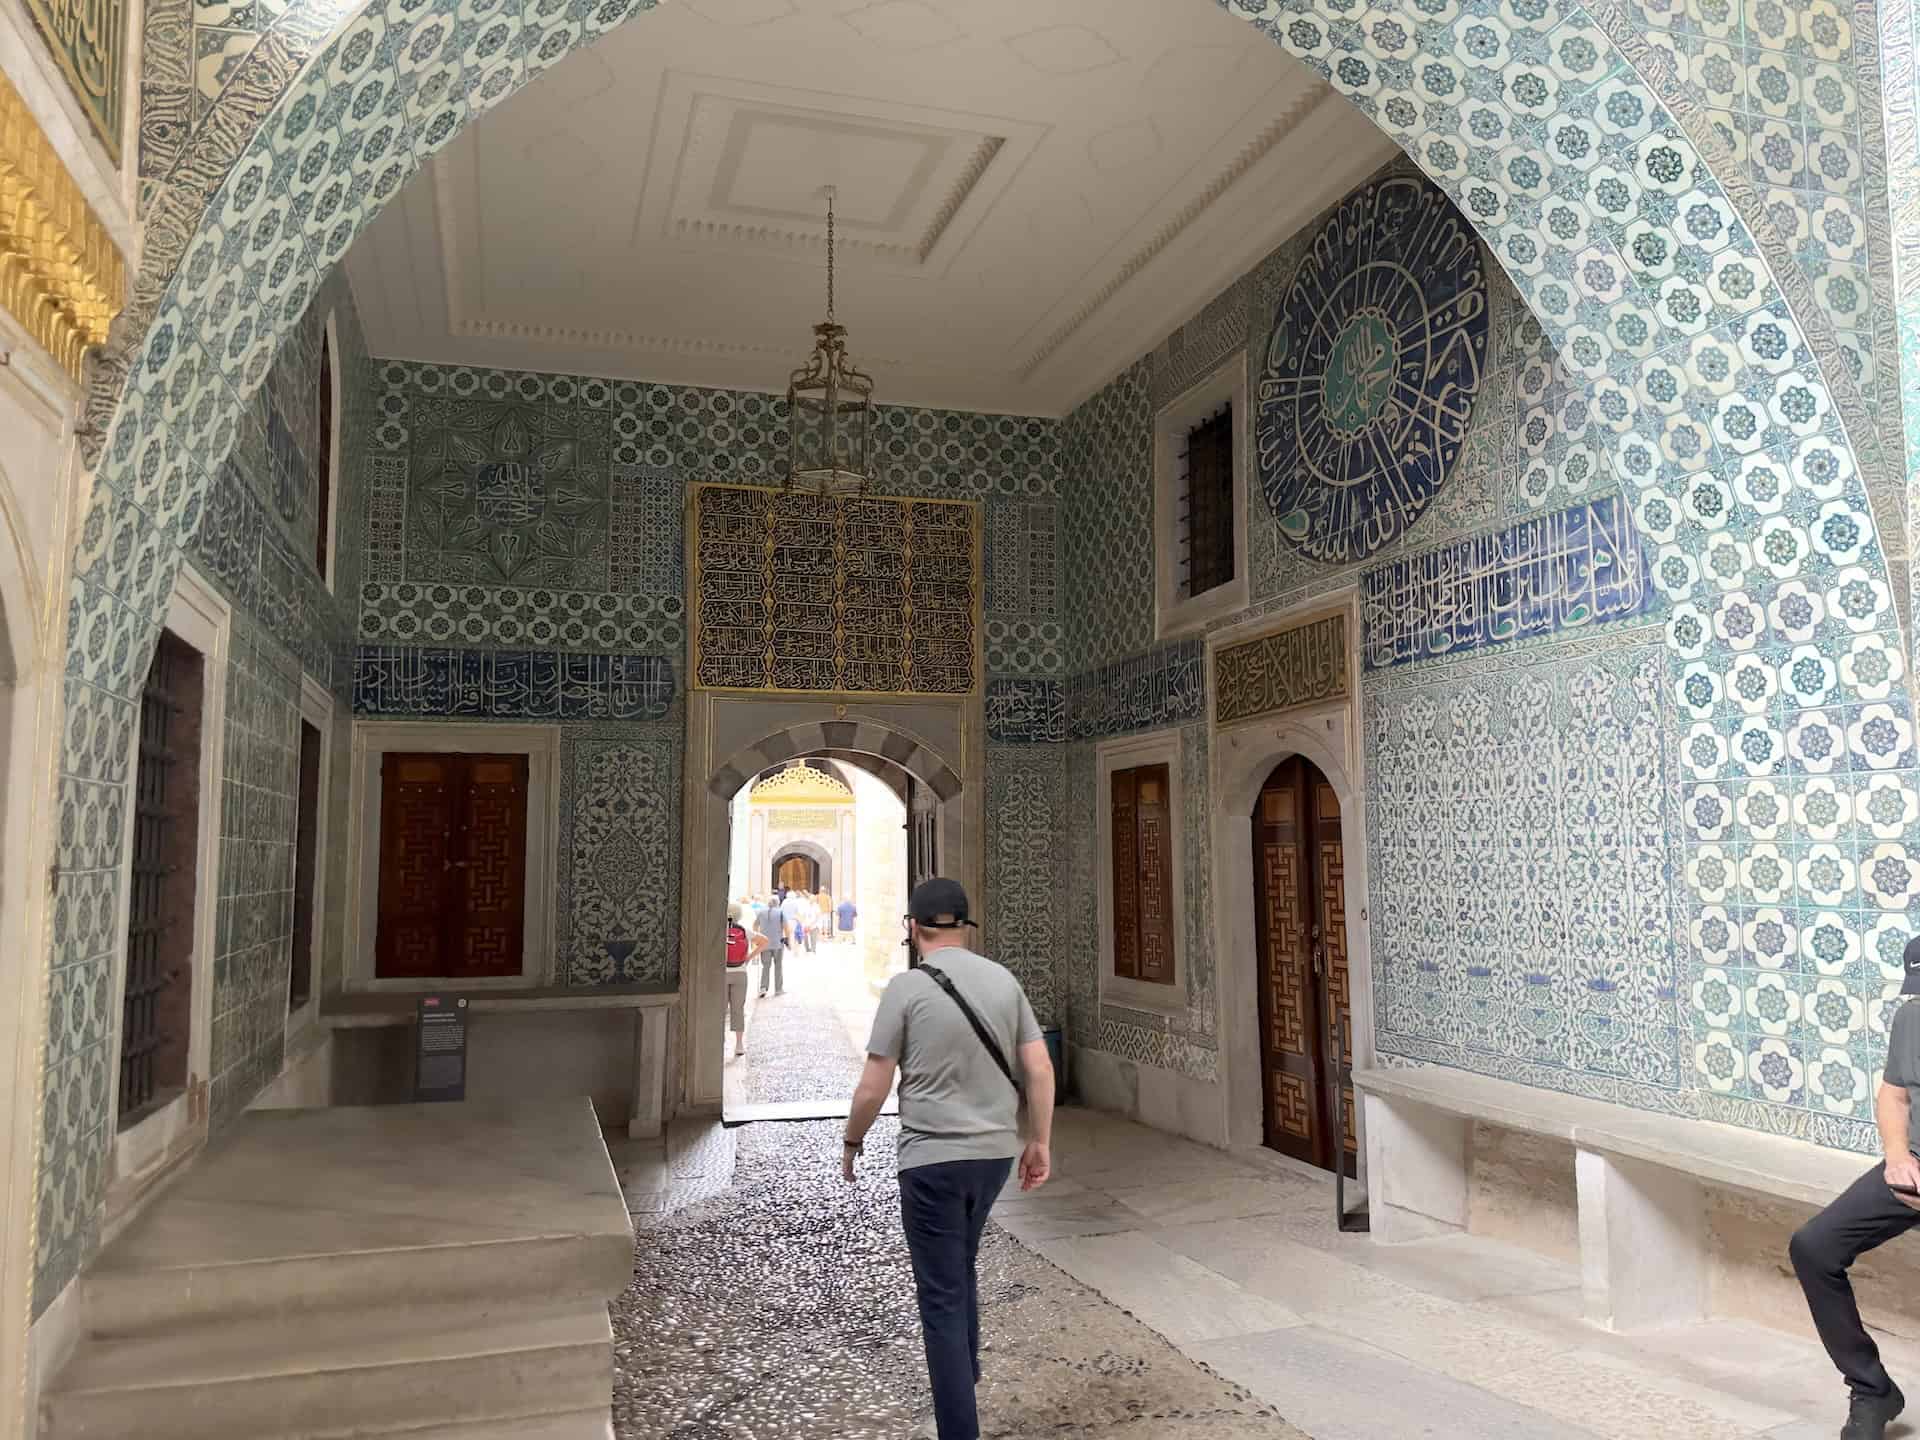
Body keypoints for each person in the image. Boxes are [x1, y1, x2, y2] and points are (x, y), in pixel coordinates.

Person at [841, 878, 1054, 1440]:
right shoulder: (1004, 982)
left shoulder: (905, 988)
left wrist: (852, 1141)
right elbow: (1039, 1068)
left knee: (939, 1291)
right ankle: (967, 1369)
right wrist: (1039, 1141)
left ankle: (959, 1428)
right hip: (991, 1159)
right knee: (958, 1265)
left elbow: (872, 1087)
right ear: (963, 927)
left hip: (929, 1160)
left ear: (913, 928)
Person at [1792, 936, 1920, 1439]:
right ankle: (1872, 1389)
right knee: (1814, 1246)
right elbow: (1893, 1096)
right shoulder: (1913, 1017)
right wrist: (1896, 1157)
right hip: (1913, 1169)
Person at [723, 902, 766, 1059]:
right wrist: (748, 957)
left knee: (720, 1010)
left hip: (721, 974)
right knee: (738, 1008)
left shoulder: (719, 929)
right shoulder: (744, 930)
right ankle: (739, 1045)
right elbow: (764, 941)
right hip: (740, 973)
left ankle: (719, 1044)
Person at [755, 890, 786, 998]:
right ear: (777, 903)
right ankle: (778, 989)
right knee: (778, 966)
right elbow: (786, 927)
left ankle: (763, 988)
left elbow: (755, 925)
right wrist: (787, 940)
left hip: (764, 943)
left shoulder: (761, 912)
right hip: (778, 943)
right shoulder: (781, 912)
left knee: (765, 966)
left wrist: (757, 938)